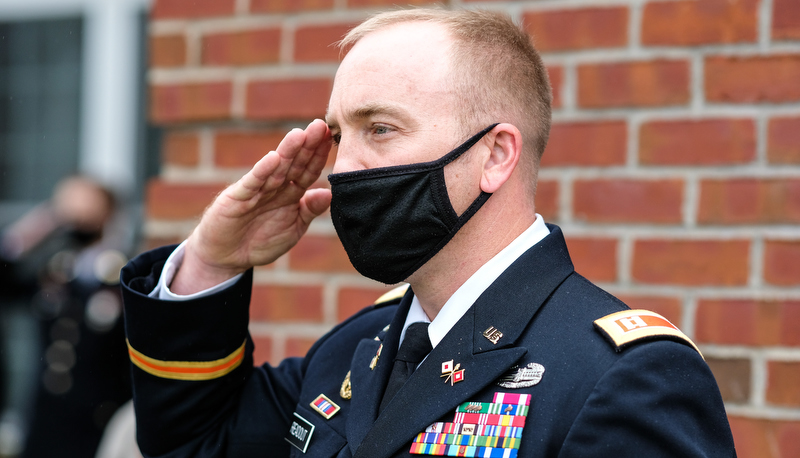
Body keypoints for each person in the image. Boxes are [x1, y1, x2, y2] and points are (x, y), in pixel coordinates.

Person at [120, 8, 736, 457]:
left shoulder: (621, 377)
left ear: (495, 156)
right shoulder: (356, 348)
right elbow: (193, 443)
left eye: (380, 128)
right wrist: (212, 260)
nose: (343, 166)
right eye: (340, 135)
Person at [0, 176, 132, 458]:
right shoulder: (54, 273)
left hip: (98, 425)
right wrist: (38, 227)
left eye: (83, 208)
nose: (74, 217)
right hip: (45, 426)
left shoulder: (124, 276)